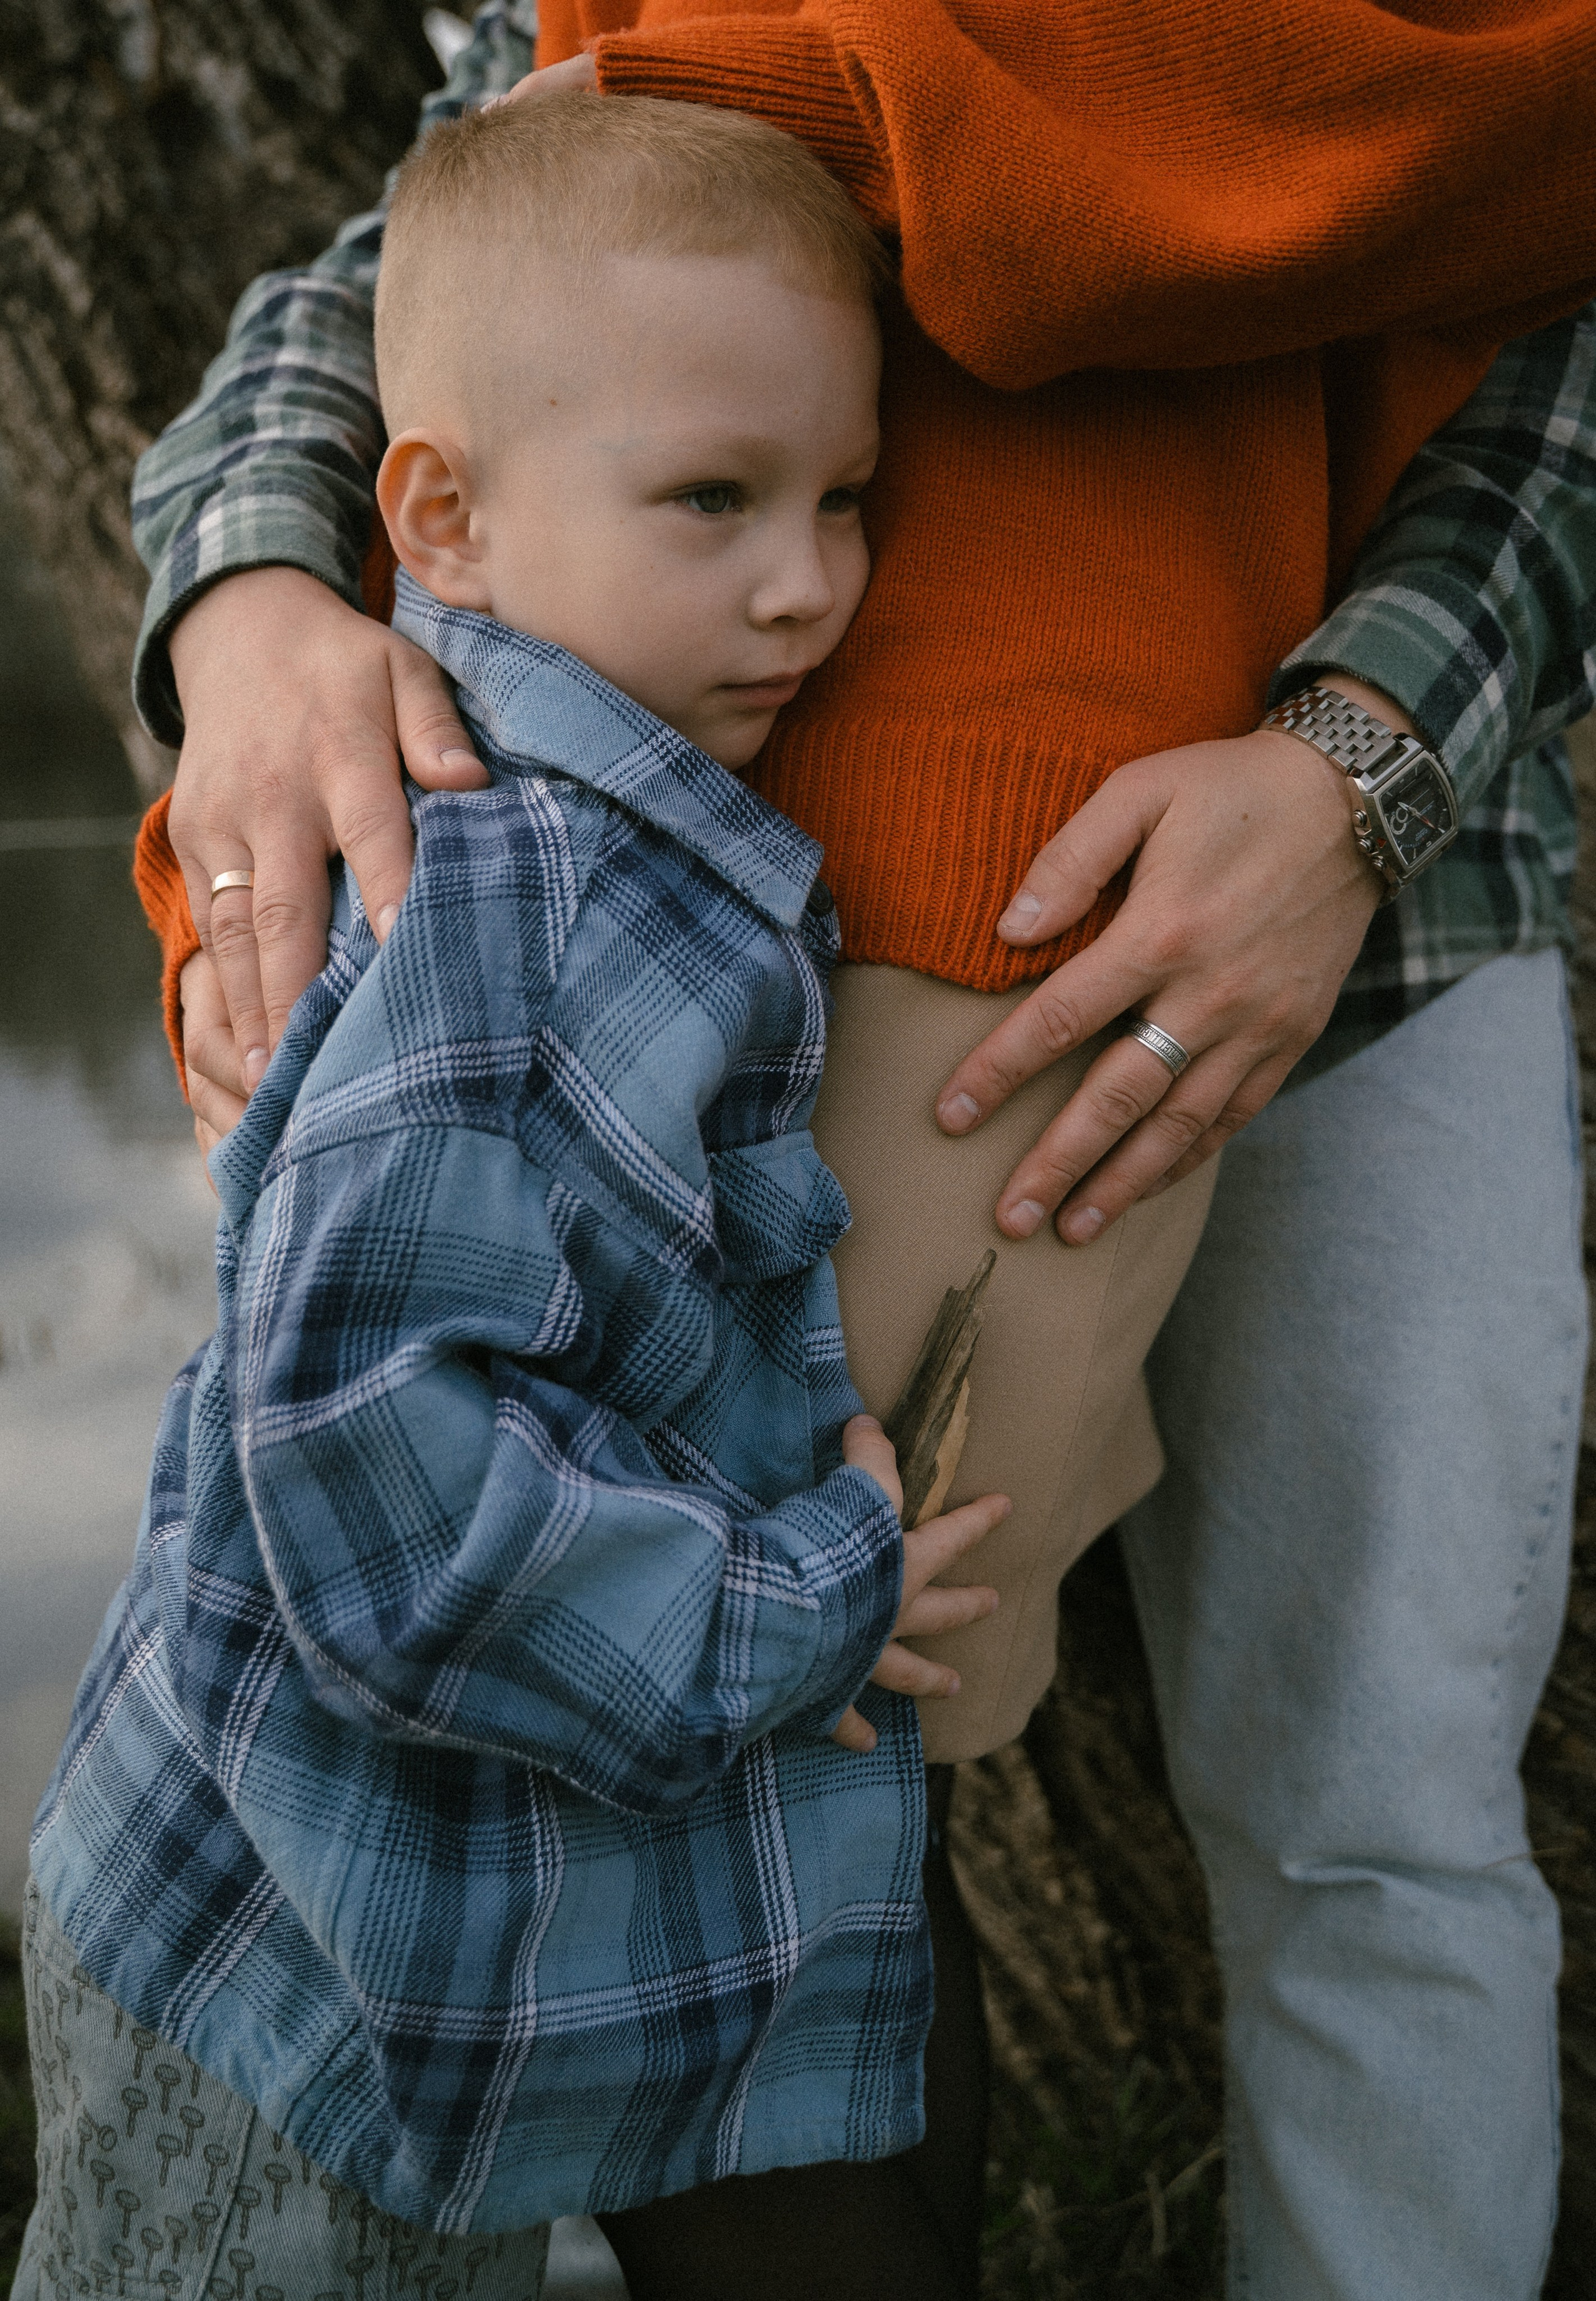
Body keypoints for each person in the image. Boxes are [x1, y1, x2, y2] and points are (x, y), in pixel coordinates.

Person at [120, 6, 1596, 2297]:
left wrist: (1360, 764)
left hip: (1411, 894)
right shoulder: (561, 920)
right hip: (858, 910)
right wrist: (247, 596)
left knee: (1380, 1820)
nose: (799, 551)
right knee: (811, 1763)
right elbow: (501, 196)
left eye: (819, 506)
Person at [15, 95, 1014, 2301]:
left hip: (478, 1906)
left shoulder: (651, 850)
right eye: (715, 501)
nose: (809, 583)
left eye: (847, 499)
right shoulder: (522, 892)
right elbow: (372, 1478)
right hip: (302, 1957)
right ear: (441, 517)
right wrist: (806, 1585)